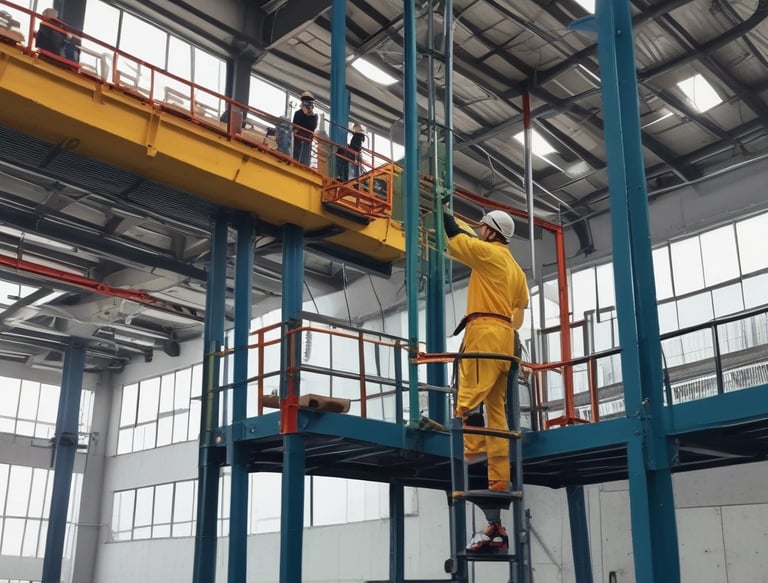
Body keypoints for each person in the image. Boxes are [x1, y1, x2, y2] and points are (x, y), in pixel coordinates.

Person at [443, 208, 529, 554]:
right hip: (507, 340)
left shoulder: (487, 253)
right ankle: (497, 484)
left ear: (491, 233)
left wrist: (442, 210)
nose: (479, 233)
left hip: (484, 334)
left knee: (465, 404)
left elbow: (456, 239)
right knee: (497, 415)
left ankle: (472, 465)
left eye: (483, 229)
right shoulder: (515, 268)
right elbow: (520, 307)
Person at [292, 91, 318, 166]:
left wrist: (308, 115)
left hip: (307, 139)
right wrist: (304, 114)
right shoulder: (298, 113)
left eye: (310, 102)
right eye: (306, 102)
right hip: (298, 138)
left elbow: (312, 127)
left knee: (305, 157)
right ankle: (295, 163)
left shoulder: (314, 116)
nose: (308, 104)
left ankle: (304, 166)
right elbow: (296, 124)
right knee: (297, 155)